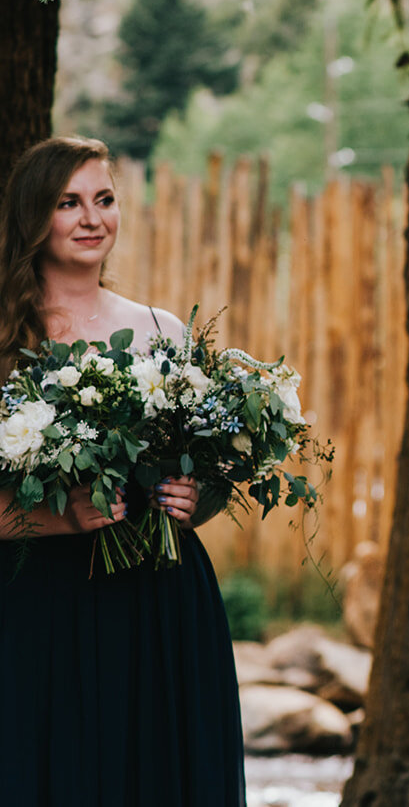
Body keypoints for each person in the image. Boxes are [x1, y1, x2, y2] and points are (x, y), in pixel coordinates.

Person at [0, 136, 245, 806]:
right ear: (33, 215)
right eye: (67, 203)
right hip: (39, 605)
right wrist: (60, 519)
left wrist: (197, 495)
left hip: (161, 599)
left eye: (104, 200)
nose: (91, 218)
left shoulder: (164, 331)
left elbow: (210, 464)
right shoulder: (5, 340)